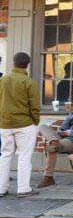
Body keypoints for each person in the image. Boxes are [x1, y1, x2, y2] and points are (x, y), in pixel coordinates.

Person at [0, 52, 40, 197]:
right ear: (27, 64)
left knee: (5, 155)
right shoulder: (29, 82)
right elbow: (34, 106)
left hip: (5, 123)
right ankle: (23, 188)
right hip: (24, 124)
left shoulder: (3, 80)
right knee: (24, 156)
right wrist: (35, 121)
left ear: (13, 63)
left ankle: (1, 188)